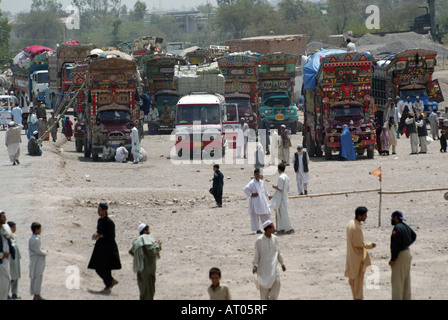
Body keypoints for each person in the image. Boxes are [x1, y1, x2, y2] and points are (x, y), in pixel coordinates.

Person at [88, 203, 121, 294]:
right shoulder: (100, 220)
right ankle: (111, 281)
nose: (98, 212)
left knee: (106, 267)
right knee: (97, 267)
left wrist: (101, 235)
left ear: (104, 211)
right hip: (100, 247)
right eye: (98, 210)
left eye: (100, 210)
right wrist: (96, 235)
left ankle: (108, 286)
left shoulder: (109, 222)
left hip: (108, 248)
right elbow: (99, 231)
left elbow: (111, 235)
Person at [345, 206, 376, 300]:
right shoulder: (356, 227)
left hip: (351, 256)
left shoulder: (350, 223)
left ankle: (355, 297)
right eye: (365, 215)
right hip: (358, 258)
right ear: (359, 216)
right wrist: (370, 245)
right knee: (358, 281)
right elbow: (358, 243)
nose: (366, 216)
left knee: (353, 280)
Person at [252, 220, 286, 300]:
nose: (274, 229)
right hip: (263, 271)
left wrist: (282, 263)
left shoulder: (275, 239)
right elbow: (257, 254)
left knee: (276, 286)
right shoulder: (259, 240)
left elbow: (278, 252)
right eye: (273, 227)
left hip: (274, 270)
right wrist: (255, 265)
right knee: (264, 295)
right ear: (268, 229)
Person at [128, 223, 162, 300]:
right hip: (148, 269)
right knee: (149, 290)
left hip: (140, 269)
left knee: (143, 289)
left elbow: (132, 252)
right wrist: (158, 246)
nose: (149, 231)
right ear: (145, 230)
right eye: (148, 229)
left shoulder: (137, 240)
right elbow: (152, 252)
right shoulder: (146, 238)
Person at [389, 211, 417, 300]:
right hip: (407, 253)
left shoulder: (397, 228)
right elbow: (414, 235)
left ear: (395, 218)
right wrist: (406, 244)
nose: (392, 220)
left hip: (400, 255)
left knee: (397, 281)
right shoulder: (405, 226)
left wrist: (393, 259)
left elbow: (396, 245)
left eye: (392, 218)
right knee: (406, 280)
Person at [269, 163, 294, 234]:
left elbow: (280, 188)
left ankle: (288, 227)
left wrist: (275, 187)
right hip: (285, 196)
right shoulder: (286, 176)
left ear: (278, 169)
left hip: (282, 197)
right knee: (281, 212)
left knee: (283, 212)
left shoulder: (281, 177)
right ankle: (282, 227)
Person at [244, 169, 271, 234]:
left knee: (265, 213)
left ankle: (267, 227)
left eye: (258, 174)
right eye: (256, 174)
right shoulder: (252, 183)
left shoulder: (262, 182)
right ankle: (257, 229)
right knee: (255, 215)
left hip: (262, 200)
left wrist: (268, 196)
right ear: (254, 175)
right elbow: (245, 189)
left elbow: (264, 190)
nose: (257, 176)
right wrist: (251, 194)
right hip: (255, 201)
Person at [29, 222, 47, 300]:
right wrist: (45, 252)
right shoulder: (35, 239)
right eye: (40, 229)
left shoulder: (32, 238)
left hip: (34, 260)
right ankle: (37, 295)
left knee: (34, 276)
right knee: (38, 276)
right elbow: (38, 250)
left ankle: (36, 294)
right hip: (37, 260)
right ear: (36, 229)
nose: (41, 230)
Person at [0, 210, 14, 300]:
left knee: (5, 285)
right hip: (1, 262)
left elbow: (10, 236)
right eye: (3, 217)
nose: (5, 218)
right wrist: (2, 255)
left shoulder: (3, 229)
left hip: (5, 262)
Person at [7, 221, 21, 300]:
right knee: (9, 278)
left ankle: (14, 293)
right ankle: (7, 294)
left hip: (16, 260)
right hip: (10, 261)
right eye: (13, 227)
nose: (15, 229)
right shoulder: (6, 237)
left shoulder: (15, 236)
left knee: (16, 277)